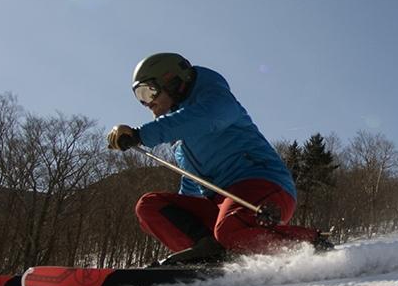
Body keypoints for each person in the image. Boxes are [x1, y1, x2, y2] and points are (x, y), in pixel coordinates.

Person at [107, 53, 325, 264]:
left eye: (148, 92)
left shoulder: (216, 100)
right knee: (149, 206)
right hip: (222, 203)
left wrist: (140, 135)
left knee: (230, 229)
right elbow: (192, 182)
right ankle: (210, 253)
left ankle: (313, 245)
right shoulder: (180, 141)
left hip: (262, 187)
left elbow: (207, 117)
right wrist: (183, 212)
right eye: (139, 97)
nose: (147, 103)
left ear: (172, 81)